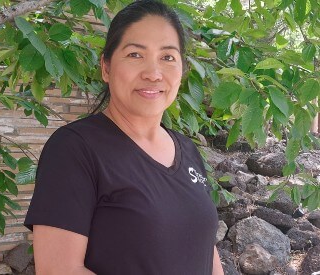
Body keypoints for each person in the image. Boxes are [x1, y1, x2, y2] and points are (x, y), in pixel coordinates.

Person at [24, 0, 224, 274]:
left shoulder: (187, 149)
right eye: (134, 55)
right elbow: (59, 269)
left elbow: (205, 251)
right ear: (106, 68)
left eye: (167, 57)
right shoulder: (75, 149)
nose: (153, 74)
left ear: (182, 70)